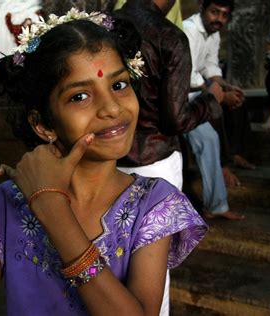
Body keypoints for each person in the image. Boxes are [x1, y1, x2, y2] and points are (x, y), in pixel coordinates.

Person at [0, 9, 208, 315]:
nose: (111, 108)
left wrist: (50, 207)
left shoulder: (153, 204)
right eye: (80, 96)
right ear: (43, 125)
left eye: (119, 85)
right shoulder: (7, 203)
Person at [113, 1, 224, 313]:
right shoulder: (169, 36)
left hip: (107, 158)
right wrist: (211, 101)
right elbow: (175, 119)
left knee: (111, 251)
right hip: (155, 163)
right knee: (152, 266)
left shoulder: (102, 24)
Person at [182, 0, 248, 219]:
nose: (219, 19)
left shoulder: (214, 32)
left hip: (199, 94)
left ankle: (230, 159)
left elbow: (211, 67)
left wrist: (227, 88)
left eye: (224, 15)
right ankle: (217, 202)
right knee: (208, 138)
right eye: (214, 12)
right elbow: (188, 75)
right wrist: (217, 94)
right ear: (203, 9)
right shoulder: (190, 30)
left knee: (238, 102)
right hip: (181, 99)